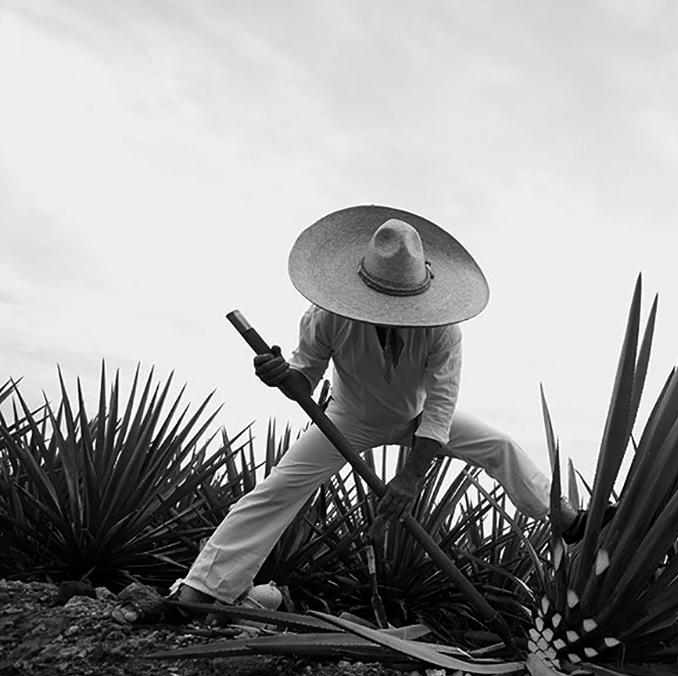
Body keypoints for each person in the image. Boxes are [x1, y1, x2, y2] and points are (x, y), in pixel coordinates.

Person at [173, 205, 584, 613]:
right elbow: (304, 380)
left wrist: (409, 479)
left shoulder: (442, 329)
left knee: (500, 446)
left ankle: (570, 523)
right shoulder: (328, 316)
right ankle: (205, 589)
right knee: (278, 489)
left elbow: (440, 407)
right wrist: (279, 374)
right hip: (348, 420)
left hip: (417, 419)